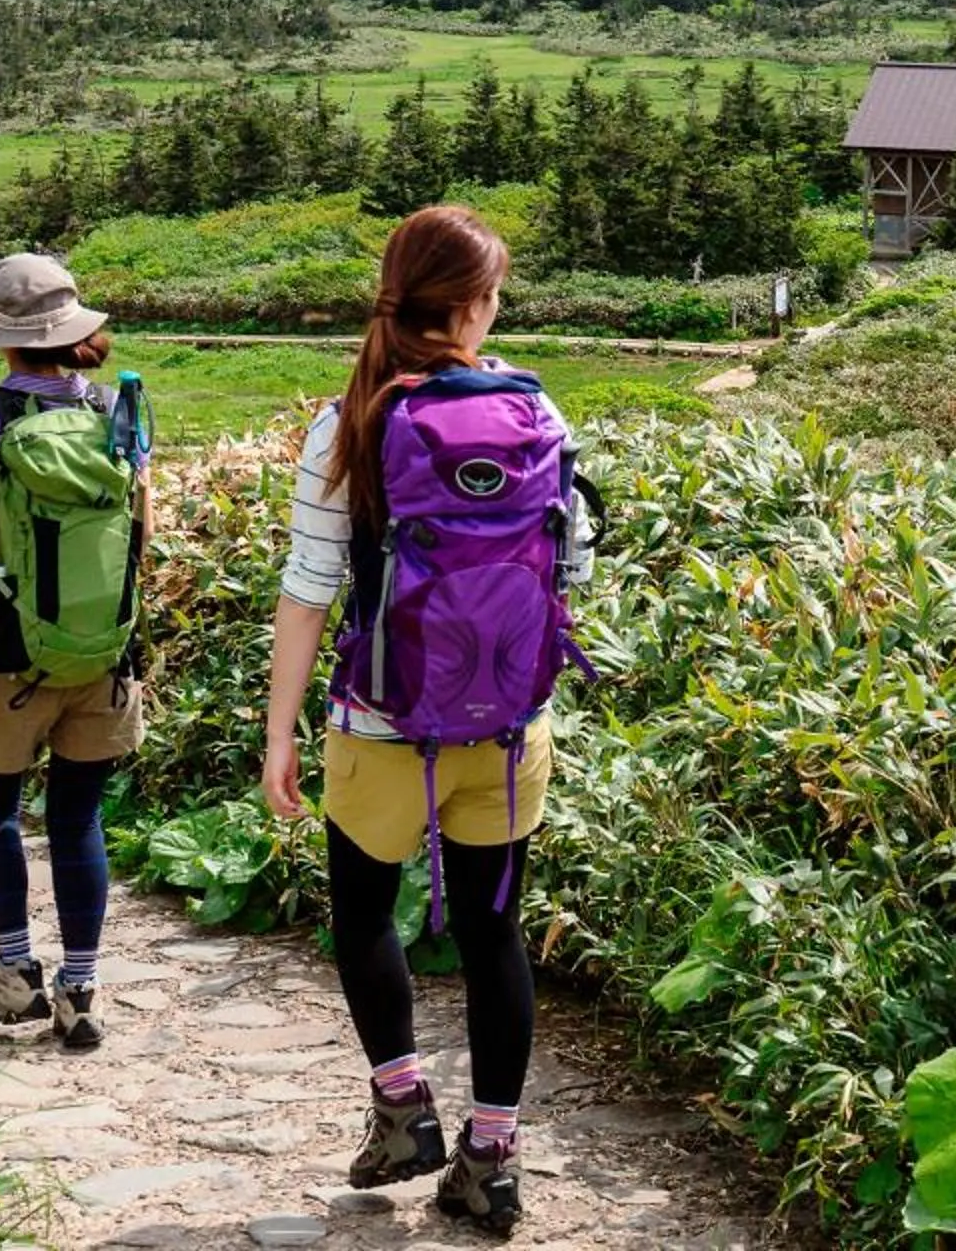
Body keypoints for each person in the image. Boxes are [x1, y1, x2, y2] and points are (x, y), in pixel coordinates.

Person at [262, 205, 586, 1238]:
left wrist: (280, 733)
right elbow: (571, 571)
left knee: (363, 911)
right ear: (477, 304)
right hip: (506, 728)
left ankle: (403, 1106)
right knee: (496, 930)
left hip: (380, 722)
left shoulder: (349, 419)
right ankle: (493, 1159)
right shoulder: (541, 417)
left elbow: (311, 589)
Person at [0, 254, 151, 1051]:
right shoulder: (119, 409)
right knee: (79, 817)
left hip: (5, 650)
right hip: (102, 652)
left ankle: (16, 975)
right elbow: (142, 532)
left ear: (3, 341)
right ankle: (81, 989)